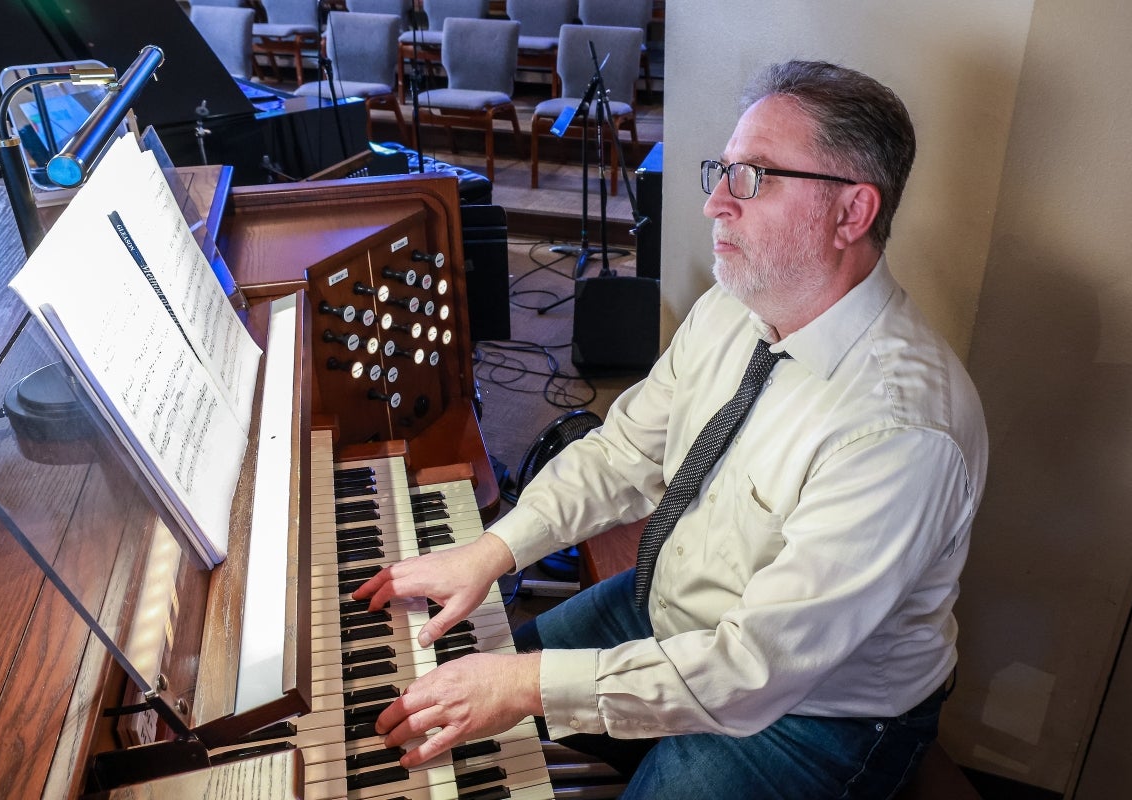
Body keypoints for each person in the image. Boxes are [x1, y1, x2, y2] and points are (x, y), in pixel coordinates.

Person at [354, 59, 988, 798]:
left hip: (815, 709)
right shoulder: (734, 305)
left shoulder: (901, 430)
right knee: (436, 713)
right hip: (667, 606)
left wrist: (526, 685)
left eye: (754, 177)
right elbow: (627, 453)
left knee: (508, 691)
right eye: (721, 169)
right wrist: (493, 552)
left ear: (851, 213)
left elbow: (756, 668)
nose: (717, 202)